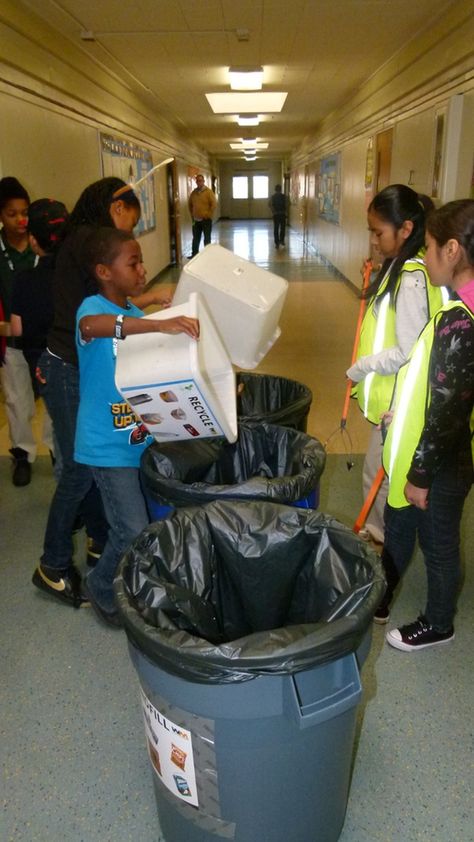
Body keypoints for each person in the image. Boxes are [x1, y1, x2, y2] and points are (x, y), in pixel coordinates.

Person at [32, 177, 153, 607]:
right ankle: (53, 564)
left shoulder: (85, 242)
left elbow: (120, 303)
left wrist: (151, 304)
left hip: (79, 363)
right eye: (129, 220)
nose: (130, 230)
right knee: (80, 470)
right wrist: (154, 318)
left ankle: (103, 540)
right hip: (67, 365)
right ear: (114, 207)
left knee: (94, 470)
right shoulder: (89, 243)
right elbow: (93, 318)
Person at [75, 227, 199, 625]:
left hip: (139, 442)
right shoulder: (90, 309)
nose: (143, 269)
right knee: (130, 528)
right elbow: (95, 327)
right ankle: (99, 585)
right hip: (105, 446)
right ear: (103, 271)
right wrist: (157, 324)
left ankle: (134, 584)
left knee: (143, 527)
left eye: (142, 261)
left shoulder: (135, 314)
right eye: (134, 263)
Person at [374, 199, 474, 650]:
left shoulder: (460, 322)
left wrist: (419, 474)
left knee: (438, 542)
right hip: (443, 448)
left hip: (442, 460)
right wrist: (405, 409)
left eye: (431, 246)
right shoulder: (461, 307)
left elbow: (448, 410)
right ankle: (391, 594)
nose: (425, 254)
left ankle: (438, 623)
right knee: (414, 528)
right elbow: (437, 388)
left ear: (452, 250)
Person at [346, 184, 448, 544]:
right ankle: (382, 536)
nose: (374, 240)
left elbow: (408, 350)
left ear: (405, 229)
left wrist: (362, 367)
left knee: (379, 472)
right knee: (380, 470)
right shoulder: (405, 265)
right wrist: (376, 273)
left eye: (379, 232)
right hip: (395, 397)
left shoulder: (411, 279)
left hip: (399, 399)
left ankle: (380, 542)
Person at [10, 199, 69, 467]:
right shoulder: (79, 276)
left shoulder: (23, 280)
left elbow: (17, 330)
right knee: (64, 419)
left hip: (38, 361)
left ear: (34, 241)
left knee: (43, 407)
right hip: (70, 361)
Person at [0, 176, 38, 485]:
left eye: (24, 212)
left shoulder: (42, 244)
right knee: (17, 399)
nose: (21, 219)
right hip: (10, 340)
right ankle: (22, 454)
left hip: (45, 340)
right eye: (12, 213)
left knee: (54, 400)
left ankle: (57, 451)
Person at [188, 174, 217, 256]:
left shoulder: (208, 192)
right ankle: (194, 254)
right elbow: (190, 204)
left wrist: (208, 214)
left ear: (203, 181)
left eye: (200, 181)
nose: (199, 182)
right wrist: (192, 215)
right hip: (196, 220)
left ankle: (207, 255)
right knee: (195, 238)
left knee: (207, 238)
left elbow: (214, 204)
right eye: (197, 181)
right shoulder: (194, 193)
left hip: (206, 220)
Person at [269, 184, 288, 249]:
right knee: (282, 228)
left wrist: (273, 212)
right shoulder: (284, 196)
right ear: (280, 189)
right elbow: (288, 204)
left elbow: (270, 204)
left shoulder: (273, 197)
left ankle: (277, 243)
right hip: (282, 214)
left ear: (275, 189)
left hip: (276, 215)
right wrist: (285, 211)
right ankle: (282, 241)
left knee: (276, 229)